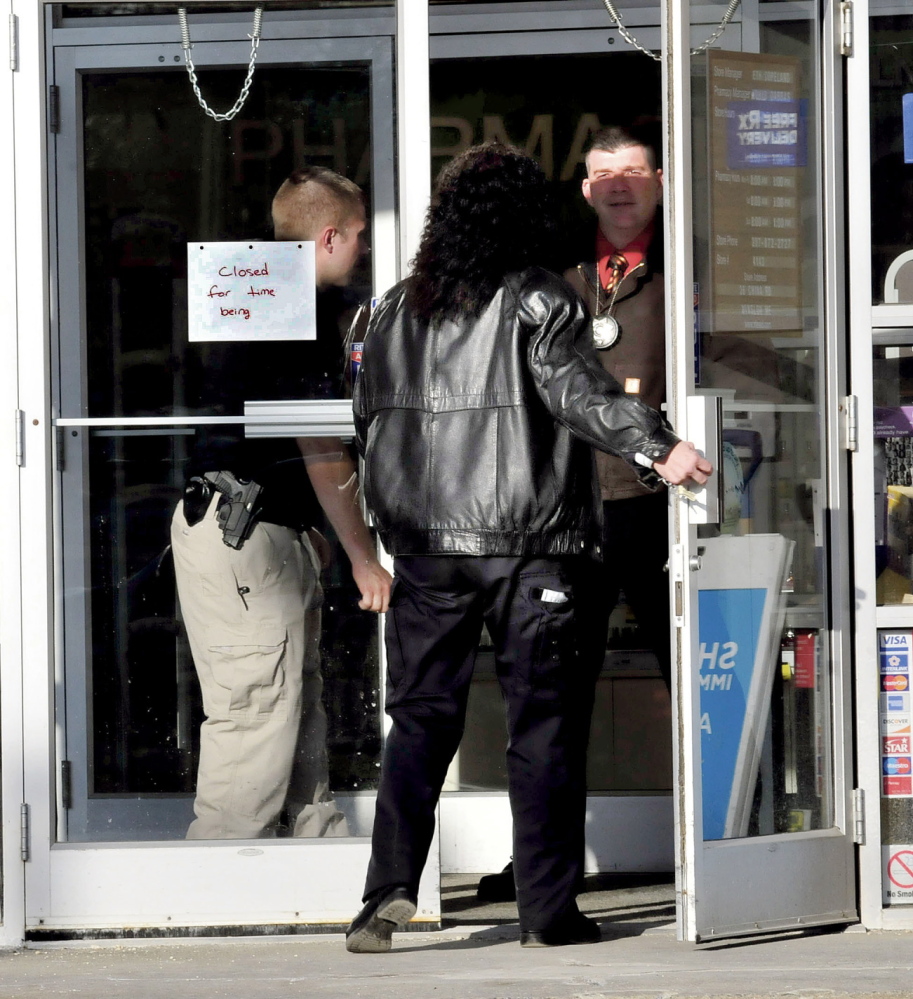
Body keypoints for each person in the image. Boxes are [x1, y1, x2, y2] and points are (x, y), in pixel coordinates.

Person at [344, 142, 711, 953]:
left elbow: (368, 422)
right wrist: (659, 446)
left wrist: (388, 523)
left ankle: (385, 894)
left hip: (427, 550)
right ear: (523, 213)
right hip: (532, 544)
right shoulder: (539, 299)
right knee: (541, 726)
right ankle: (547, 911)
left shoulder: (389, 311)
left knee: (419, 721)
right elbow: (576, 391)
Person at [476, 123, 671, 905]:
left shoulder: (693, 264)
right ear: (584, 188)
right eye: (602, 174)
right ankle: (543, 864)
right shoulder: (550, 273)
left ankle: (724, 844)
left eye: (631, 170)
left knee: (693, 685)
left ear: (658, 178)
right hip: (567, 511)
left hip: (664, 508)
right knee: (554, 695)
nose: (618, 184)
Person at [171, 167, 391, 840]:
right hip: (248, 530)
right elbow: (319, 442)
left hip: (258, 526)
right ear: (328, 236)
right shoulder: (289, 310)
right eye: (357, 236)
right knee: (256, 708)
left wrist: (305, 531)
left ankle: (308, 855)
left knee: (291, 700)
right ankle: (215, 889)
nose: (362, 250)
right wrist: (362, 555)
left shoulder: (262, 296)